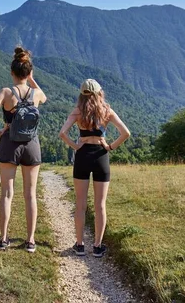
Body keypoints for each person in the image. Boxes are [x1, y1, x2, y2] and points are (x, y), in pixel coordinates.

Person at [0, 47, 47, 253]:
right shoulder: (36, 93)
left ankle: (3, 239)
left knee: (7, 194)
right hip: (31, 145)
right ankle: (30, 241)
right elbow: (44, 97)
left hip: (9, 144)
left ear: (11, 72)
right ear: (28, 73)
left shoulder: (6, 92)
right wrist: (32, 80)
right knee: (30, 194)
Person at [58, 79, 130, 257]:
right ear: (99, 93)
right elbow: (126, 133)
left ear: (82, 94)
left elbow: (62, 133)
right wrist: (110, 146)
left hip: (83, 156)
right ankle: (97, 246)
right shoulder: (107, 111)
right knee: (100, 205)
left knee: (81, 204)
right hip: (101, 156)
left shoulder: (77, 112)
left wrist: (75, 147)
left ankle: (80, 245)